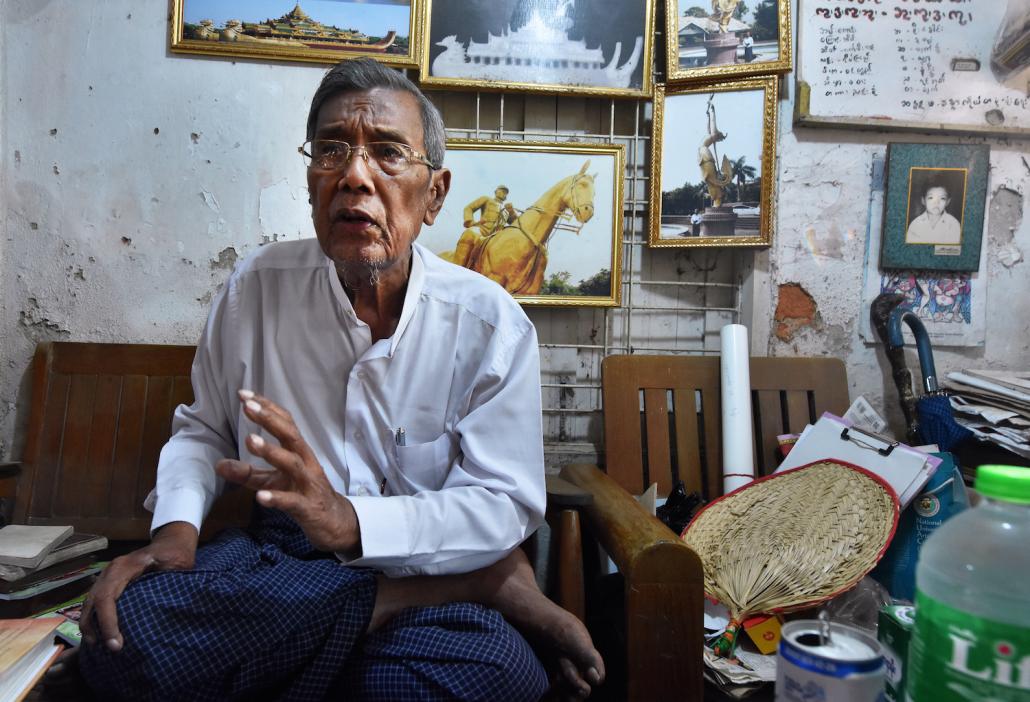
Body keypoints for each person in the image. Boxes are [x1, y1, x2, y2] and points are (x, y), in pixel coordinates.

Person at [74, 58, 603, 701]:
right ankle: (441, 594)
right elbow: (205, 428)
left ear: (434, 193)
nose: (354, 175)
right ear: (310, 181)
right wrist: (176, 533)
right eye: (332, 150)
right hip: (275, 568)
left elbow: (503, 503)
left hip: (422, 564)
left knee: (497, 676)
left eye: (387, 152)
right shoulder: (256, 288)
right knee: (119, 641)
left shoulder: (490, 324)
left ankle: (396, 609)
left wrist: (352, 522)